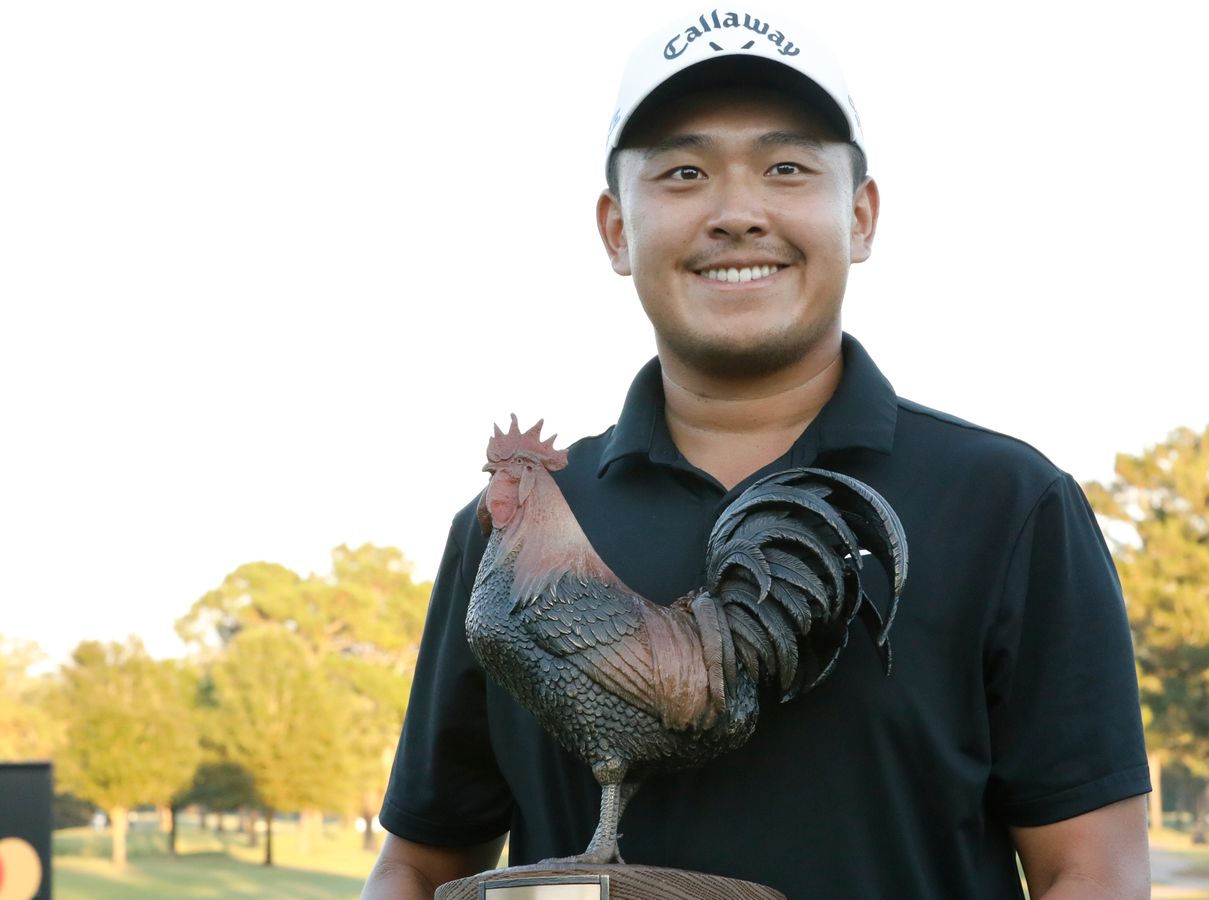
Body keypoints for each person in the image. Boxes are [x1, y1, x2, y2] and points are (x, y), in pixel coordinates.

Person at [364, 10, 1150, 899]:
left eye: (785, 168)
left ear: (859, 215)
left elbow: (1091, 870)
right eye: (684, 172)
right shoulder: (508, 524)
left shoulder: (1008, 504)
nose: (737, 213)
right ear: (617, 229)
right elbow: (421, 860)